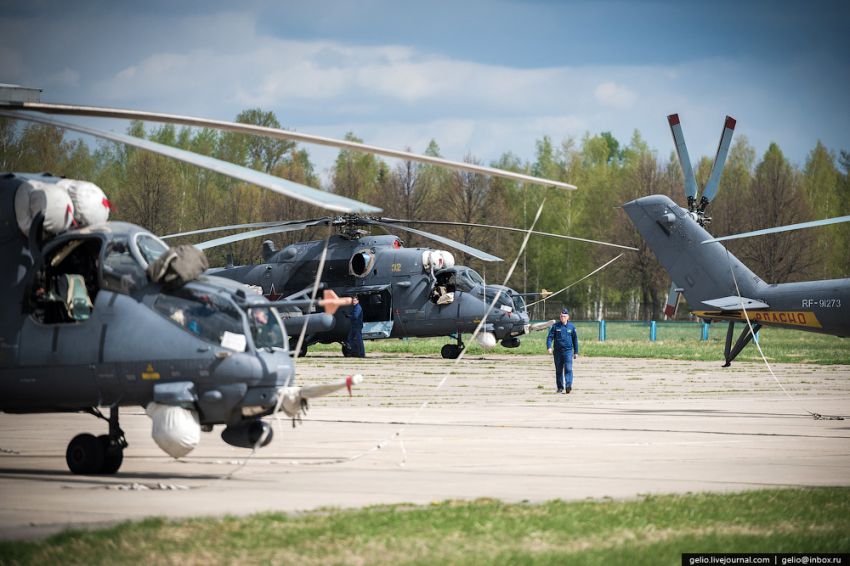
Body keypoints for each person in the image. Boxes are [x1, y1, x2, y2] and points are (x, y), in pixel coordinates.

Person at [546, 308, 579, 394]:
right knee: (559, 370)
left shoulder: (571, 327)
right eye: (561, 316)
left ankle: (568, 386)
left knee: (568, 368)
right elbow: (550, 337)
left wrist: (576, 352)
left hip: (568, 352)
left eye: (564, 316)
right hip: (557, 352)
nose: (562, 318)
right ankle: (560, 387)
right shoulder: (556, 326)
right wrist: (549, 347)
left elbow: (575, 340)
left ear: (568, 317)